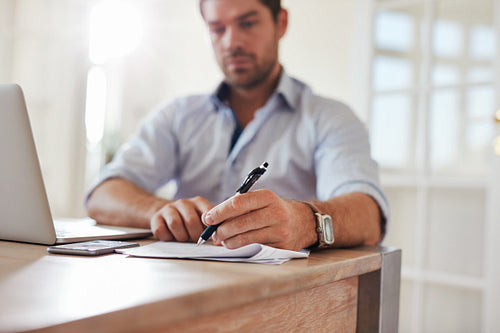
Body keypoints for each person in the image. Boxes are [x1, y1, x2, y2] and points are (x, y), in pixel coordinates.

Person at [86, 0, 389, 252]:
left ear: (280, 23)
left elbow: (368, 216)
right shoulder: (177, 115)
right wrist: (159, 212)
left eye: (247, 23)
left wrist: (305, 222)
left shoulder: (330, 118)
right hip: (182, 291)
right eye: (217, 29)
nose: (231, 43)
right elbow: (103, 194)